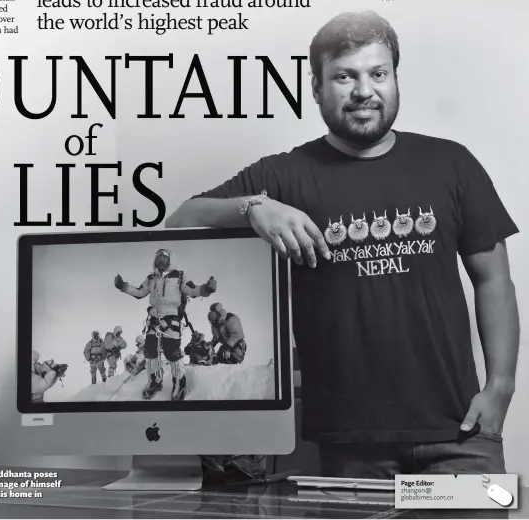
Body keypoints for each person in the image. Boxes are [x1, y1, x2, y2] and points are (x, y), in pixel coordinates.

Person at [165, 10, 519, 481]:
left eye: (378, 73)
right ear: (316, 88)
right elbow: (180, 222)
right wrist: (253, 206)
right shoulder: (281, 176)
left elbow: (494, 279)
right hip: (343, 447)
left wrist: (500, 389)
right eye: (343, 77)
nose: (363, 91)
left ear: (394, 78)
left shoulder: (451, 163)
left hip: (460, 436)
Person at [114, 248, 217, 400]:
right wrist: (123, 287)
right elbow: (140, 292)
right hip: (154, 318)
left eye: (165, 258)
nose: (162, 261)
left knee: (172, 351)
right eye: (159, 258)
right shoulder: (151, 278)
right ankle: (155, 380)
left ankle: (179, 382)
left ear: (171, 261)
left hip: (171, 318)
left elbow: (192, 290)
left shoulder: (179, 276)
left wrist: (207, 288)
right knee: (150, 350)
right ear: (155, 261)